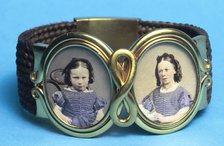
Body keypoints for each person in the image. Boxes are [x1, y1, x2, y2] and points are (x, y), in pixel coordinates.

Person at [52, 58, 106, 128]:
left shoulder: (94, 96)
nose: (80, 82)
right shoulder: (64, 94)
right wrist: (65, 119)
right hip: (69, 125)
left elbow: (100, 112)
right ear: (70, 78)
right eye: (76, 77)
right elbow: (56, 110)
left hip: (89, 127)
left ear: (89, 78)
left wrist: (97, 122)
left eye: (84, 77)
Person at [141, 53, 193, 123]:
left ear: (174, 70)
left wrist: (165, 120)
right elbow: (142, 110)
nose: (163, 74)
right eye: (160, 71)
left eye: (166, 70)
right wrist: (152, 116)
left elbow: (184, 113)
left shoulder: (181, 93)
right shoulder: (155, 93)